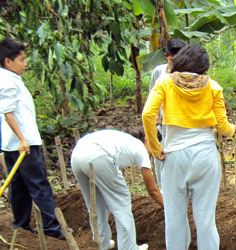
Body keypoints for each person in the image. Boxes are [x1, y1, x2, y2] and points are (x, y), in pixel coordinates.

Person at [142, 44, 236, 250]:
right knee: (205, 220)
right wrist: (233, 130)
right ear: (203, 66)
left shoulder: (165, 83)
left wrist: (156, 148)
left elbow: (148, 114)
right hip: (205, 154)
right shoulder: (213, 86)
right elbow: (223, 127)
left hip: (174, 155)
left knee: (174, 218)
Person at [0, 38, 65, 240]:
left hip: (12, 143)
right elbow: (7, 112)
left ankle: (20, 225)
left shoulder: (8, 78)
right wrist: (22, 139)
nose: (25, 63)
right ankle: (51, 228)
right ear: (8, 61)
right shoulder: (8, 81)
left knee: (18, 185)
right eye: (21, 59)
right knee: (39, 184)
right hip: (23, 144)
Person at [71, 127, 161, 250]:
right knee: (121, 201)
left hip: (77, 155)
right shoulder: (140, 148)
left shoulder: (125, 140)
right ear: (147, 139)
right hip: (99, 154)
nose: (155, 152)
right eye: (156, 146)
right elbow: (152, 191)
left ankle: (102, 243)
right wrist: (168, 207)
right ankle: (128, 247)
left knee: (95, 203)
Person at [148, 38, 186, 190]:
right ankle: (164, 192)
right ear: (166, 56)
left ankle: (181, 190)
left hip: (180, 123)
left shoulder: (188, 73)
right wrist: (154, 115)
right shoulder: (159, 72)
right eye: (172, 60)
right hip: (162, 125)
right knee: (162, 157)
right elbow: (152, 95)